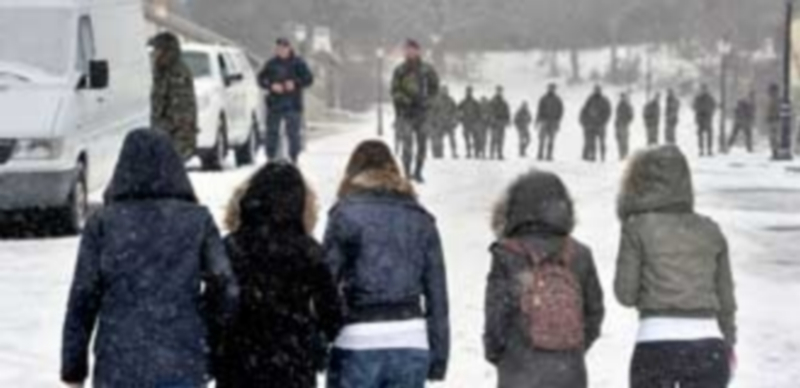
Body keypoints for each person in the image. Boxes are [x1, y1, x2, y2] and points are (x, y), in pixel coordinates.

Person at [61, 130, 240, 388]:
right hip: (182, 354)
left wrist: (73, 369)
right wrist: (205, 333)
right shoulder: (197, 220)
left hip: (118, 359)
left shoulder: (103, 223)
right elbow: (226, 286)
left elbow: (83, 296)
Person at [324, 141, 450, 388]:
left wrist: (319, 341)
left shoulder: (343, 215)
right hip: (410, 338)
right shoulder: (421, 219)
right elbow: (437, 295)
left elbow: (326, 284)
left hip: (356, 337)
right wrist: (439, 354)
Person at [615, 145, 737, 388]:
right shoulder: (710, 230)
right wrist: (729, 342)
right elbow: (726, 299)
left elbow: (625, 294)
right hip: (708, 344)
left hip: (656, 343)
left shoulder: (637, 227)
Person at [215, 162, 343, 388]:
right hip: (292, 365)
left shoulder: (231, 247)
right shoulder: (308, 251)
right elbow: (331, 315)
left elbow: (216, 306)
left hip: (239, 364)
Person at [485, 170, 605, 388]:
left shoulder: (507, 253)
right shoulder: (580, 254)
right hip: (570, 373)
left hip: (519, 372)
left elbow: (496, 318)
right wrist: (570, 348)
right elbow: (594, 314)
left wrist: (501, 356)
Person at [391, 39, 440, 183]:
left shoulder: (427, 69)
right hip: (406, 113)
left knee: (422, 145)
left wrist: (428, 102)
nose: (409, 52)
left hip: (423, 113)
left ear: (418, 51)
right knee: (407, 145)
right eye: (407, 50)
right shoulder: (399, 70)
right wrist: (405, 100)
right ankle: (406, 173)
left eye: (412, 50)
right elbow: (394, 90)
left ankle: (418, 172)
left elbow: (435, 89)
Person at [259, 38, 314, 163]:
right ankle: (270, 158)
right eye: (278, 48)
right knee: (272, 133)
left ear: (289, 48)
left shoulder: (298, 63)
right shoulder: (271, 64)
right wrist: (271, 85)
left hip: (293, 104)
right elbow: (261, 79)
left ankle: (294, 159)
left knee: (293, 134)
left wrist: (295, 84)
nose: (281, 51)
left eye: (283, 48)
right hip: (275, 104)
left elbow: (309, 79)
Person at [150, 32, 198, 160]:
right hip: (163, 138)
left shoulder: (178, 73)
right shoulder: (161, 71)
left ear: (167, 51)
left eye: (157, 49)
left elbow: (182, 115)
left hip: (176, 141)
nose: (154, 53)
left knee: (169, 177)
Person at [580, 86, 612, 162]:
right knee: (592, 142)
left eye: (598, 90)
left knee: (602, 142)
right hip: (592, 124)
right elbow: (585, 110)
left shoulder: (604, 100)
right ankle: (593, 156)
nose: (597, 91)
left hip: (601, 125)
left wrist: (603, 121)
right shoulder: (590, 99)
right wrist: (585, 122)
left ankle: (603, 157)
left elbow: (608, 112)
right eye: (595, 90)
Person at [536, 83, 564, 161]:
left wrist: (558, 121)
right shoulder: (543, 99)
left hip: (553, 121)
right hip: (544, 120)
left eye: (553, 88)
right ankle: (540, 155)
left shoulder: (557, 100)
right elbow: (539, 110)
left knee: (551, 140)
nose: (551, 89)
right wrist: (538, 121)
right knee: (542, 139)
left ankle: (549, 155)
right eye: (550, 88)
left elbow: (560, 111)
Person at [430, 86, 460, 159]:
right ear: (440, 91)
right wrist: (433, 121)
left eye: (446, 90)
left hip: (449, 122)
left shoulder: (450, 100)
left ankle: (454, 152)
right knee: (437, 139)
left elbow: (455, 111)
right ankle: (438, 153)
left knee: (452, 138)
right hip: (439, 123)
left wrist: (455, 120)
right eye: (443, 90)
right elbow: (432, 112)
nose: (445, 92)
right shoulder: (436, 100)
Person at [693, 84, 717, 157]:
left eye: (705, 89)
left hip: (708, 118)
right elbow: (694, 106)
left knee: (709, 135)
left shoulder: (710, 98)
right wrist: (698, 113)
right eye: (702, 89)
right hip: (700, 118)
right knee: (700, 136)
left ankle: (709, 149)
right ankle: (701, 150)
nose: (703, 90)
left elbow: (714, 106)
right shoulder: (698, 98)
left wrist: (710, 113)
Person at [459, 86, 482, 159]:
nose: (469, 93)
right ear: (466, 92)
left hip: (474, 123)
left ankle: (476, 153)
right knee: (467, 139)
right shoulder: (463, 102)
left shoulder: (475, 102)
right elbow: (457, 111)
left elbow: (479, 112)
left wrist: (478, 121)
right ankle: (468, 152)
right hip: (466, 123)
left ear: (472, 92)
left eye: (470, 91)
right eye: (468, 91)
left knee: (475, 138)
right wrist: (461, 119)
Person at [489, 86, 512, 160]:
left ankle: (500, 153)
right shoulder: (492, 101)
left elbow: (507, 112)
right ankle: (491, 154)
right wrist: (491, 119)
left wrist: (508, 120)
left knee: (501, 139)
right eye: (498, 91)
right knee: (494, 139)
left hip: (501, 123)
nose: (499, 92)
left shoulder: (504, 102)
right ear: (496, 91)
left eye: (500, 91)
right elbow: (490, 111)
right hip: (494, 123)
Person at [615, 93, 634, 160]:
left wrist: (626, 121)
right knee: (620, 140)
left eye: (623, 97)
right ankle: (621, 155)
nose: (622, 98)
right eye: (621, 97)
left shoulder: (627, 106)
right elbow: (617, 116)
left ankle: (625, 156)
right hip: (619, 124)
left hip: (624, 125)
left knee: (624, 141)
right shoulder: (619, 105)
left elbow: (631, 116)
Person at [766, 83, 782, 159]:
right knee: (773, 138)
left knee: (774, 138)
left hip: (774, 120)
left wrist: (771, 117)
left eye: (770, 90)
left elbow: (775, 110)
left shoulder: (776, 100)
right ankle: (775, 152)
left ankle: (776, 153)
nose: (769, 92)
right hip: (773, 120)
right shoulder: (772, 99)